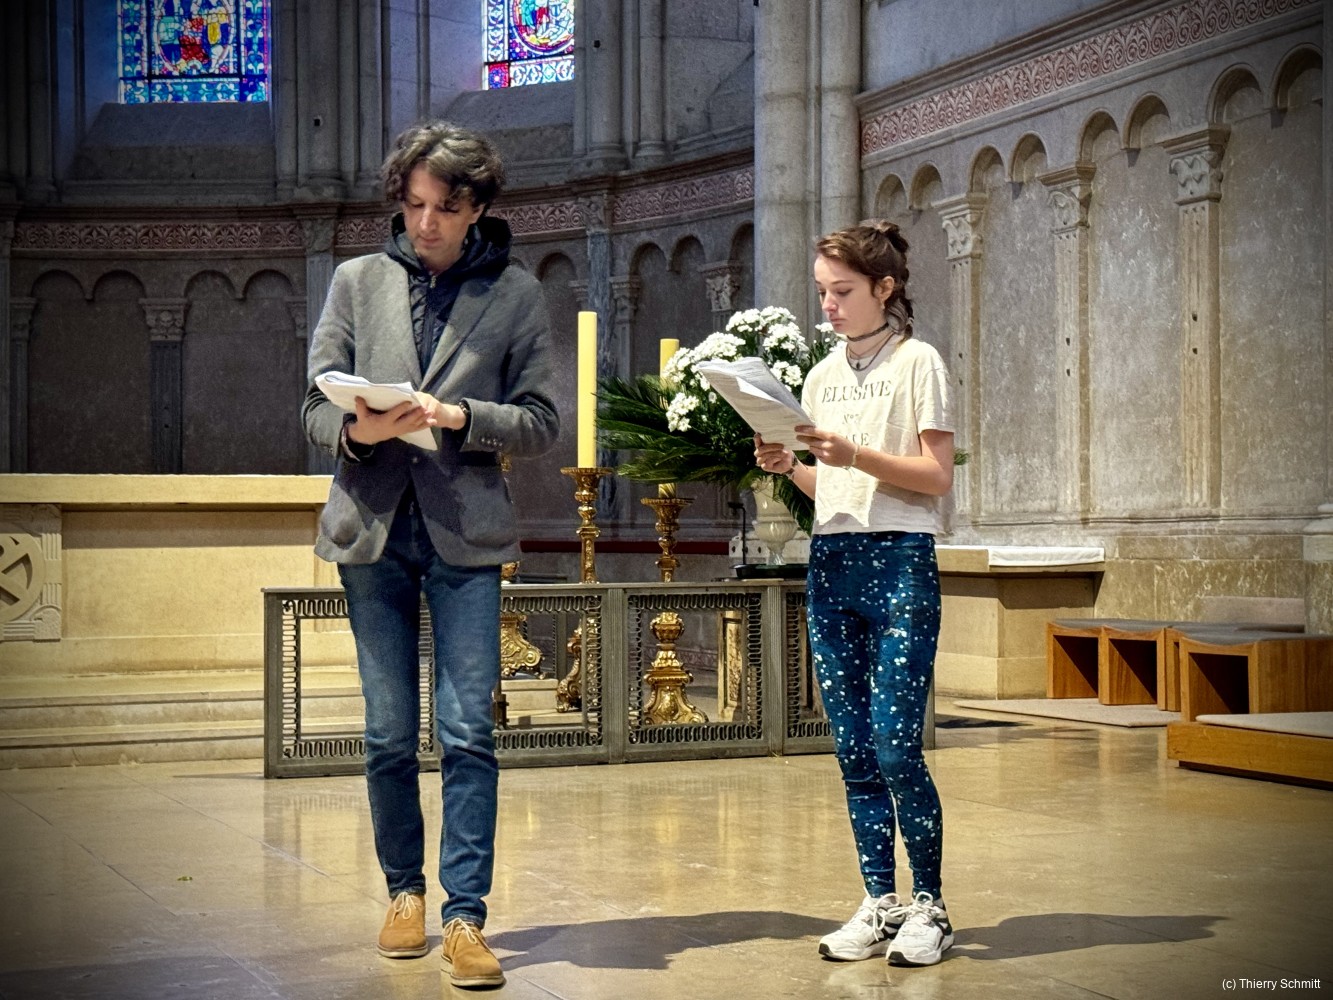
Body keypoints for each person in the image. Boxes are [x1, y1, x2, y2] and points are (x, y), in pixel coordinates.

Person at [301, 120, 559, 988]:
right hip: (371, 527)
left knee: (467, 730)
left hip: (465, 530)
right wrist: (359, 430)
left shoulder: (514, 292)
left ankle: (465, 917)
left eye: (445, 208)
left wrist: (458, 417)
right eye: (413, 205)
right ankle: (403, 894)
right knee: (385, 732)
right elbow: (313, 408)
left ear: (476, 206)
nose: (425, 223)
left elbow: (541, 422)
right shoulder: (355, 280)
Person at [754, 220, 956, 968]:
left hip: (900, 560)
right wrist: (791, 468)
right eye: (821, 292)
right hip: (832, 559)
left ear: (884, 287)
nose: (829, 305)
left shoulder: (918, 362)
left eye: (841, 291)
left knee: (897, 745)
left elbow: (935, 477)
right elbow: (831, 489)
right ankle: (880, 901)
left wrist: (855, 454)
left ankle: (930, 905)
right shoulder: (819, 376)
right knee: (853, 749)